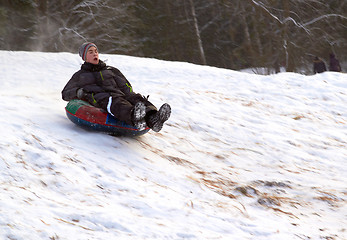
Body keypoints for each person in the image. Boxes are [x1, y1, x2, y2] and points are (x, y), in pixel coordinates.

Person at [62, 42, 171, 132]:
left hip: (119, 94)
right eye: (91, 52)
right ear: (84, 57)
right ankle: (135, 117)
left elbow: (125, 85)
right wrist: (78, 92)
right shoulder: (80, 75)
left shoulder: (111, 70)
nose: (95, 54)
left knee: (136, 98)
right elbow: (65, 93)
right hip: (102, 98)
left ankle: (153, 118)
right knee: (116, 102)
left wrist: (130, 96)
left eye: (96, 51)